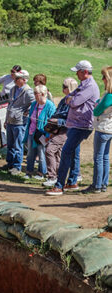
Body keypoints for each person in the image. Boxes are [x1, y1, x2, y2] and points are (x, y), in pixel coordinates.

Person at [46, 60, 100, 196]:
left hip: (81, 125)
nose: (76, 74)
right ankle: (72, 181)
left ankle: (59, 186)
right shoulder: (84, 84)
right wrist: (71, 99)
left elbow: (73, 101)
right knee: (74, 153)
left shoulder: (90, 86)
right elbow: (68, 98)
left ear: (85, 72)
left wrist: (71, 99)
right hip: (75, 124)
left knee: (66, 152)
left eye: (78, 71)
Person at [43, 77, 78, 188]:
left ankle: (52, 177)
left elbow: (71, 119)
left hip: (66, 131)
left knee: (49, 150)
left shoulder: (75, 101)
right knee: (57, 153)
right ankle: (57, 176)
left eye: (65, 87)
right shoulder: (64, 100)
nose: (63, 89)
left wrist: (58, 121)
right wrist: (52, 120)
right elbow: (58, 112)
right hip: (57, 128)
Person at [82, 66, 112, 194]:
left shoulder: (109, 95)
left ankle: (97, 185)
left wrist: (97, 106)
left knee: (99, 158)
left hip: (103, 128)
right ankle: (103, 184)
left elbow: (97, 110)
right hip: (109, 129)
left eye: (104, 77)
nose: (102, 79)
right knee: (104, 157)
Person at [3, 70, 35, 175]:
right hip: (10, 120)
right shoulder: (13, 89)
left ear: (24, 80)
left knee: (18, 144)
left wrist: (27, 111)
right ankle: (10, 163)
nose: (15, 80)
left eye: (18, 78)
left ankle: (17, 166)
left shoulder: (28, 91)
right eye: (15, 78)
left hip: (20, 122)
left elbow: (35, 103)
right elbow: (9, 104)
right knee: (10, 144)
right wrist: (6, 119)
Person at [24, 85, 55, 180]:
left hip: (43, 134)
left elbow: (53, 122)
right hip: (32, 132)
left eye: (35, 93)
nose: (34, 95)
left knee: (42, 154)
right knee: (30, 153)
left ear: (42, 94)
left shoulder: (50, 106)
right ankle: (29, 171)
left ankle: (41, 173)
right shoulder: (34, 104)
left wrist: (48, 136)